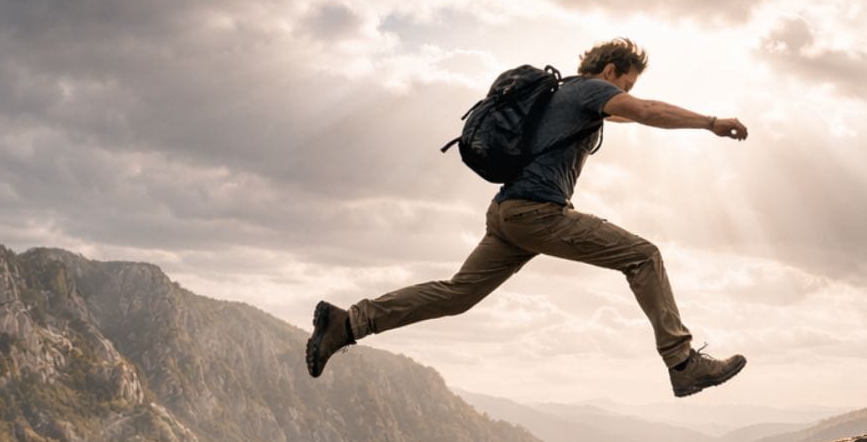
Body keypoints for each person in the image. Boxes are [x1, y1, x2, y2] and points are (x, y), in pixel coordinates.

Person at [306, 38, 749, 397]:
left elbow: (631, 118)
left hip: (507, 214)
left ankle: (347, 323)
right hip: (537, 213)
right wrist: (710, 122)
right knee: (643, 256)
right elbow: (647, 113)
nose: (625, 97)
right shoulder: (592, 90)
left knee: (458, 295)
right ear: (610, 71)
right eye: (626, 85)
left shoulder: (561, 97)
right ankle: (682, 363)